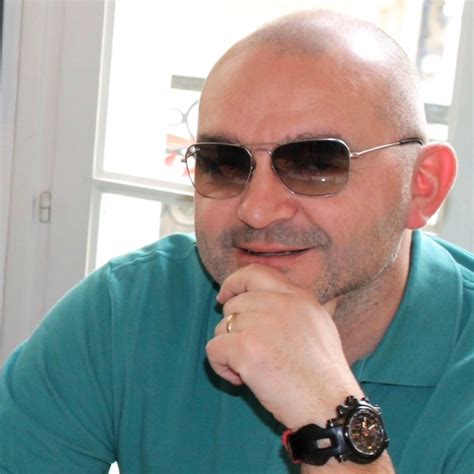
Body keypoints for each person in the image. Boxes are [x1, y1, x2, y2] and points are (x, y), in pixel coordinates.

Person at [0, 9, 472, 474]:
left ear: (423, 186)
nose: (257, 210)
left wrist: (328, 413)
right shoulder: (128, 308)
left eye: (316, 163)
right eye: (223, 162)